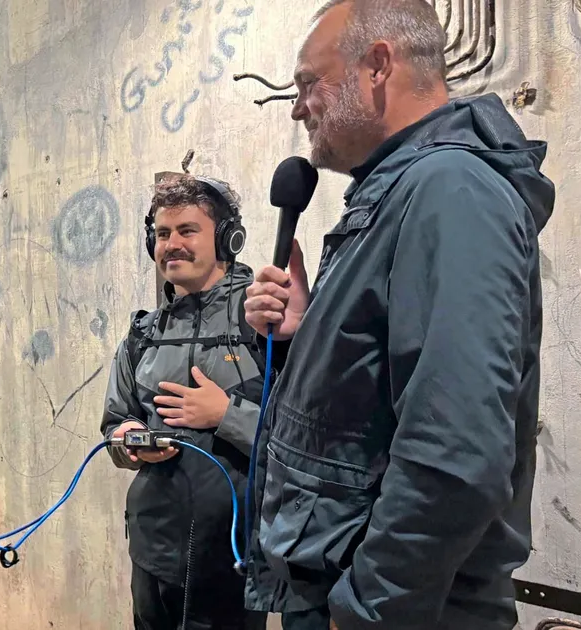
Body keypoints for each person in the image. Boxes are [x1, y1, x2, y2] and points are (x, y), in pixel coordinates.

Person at [241, 1, 556, 629]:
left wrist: (362, 612)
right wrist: (309, 331)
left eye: (308, 84)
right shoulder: (403, 191)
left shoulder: (450, 191)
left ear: (376, 67)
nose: (299, 108)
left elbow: (456, 449)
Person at [100, 173, 270, 630]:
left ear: (226, 238)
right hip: (153, 552)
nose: (171, 244)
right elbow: (115, 424)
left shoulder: (264, 324)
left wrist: (225, 415)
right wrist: (132, 440)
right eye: (161, 234)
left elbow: (304, 442)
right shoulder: (143, 334)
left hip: (231, 557)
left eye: (187, 231)